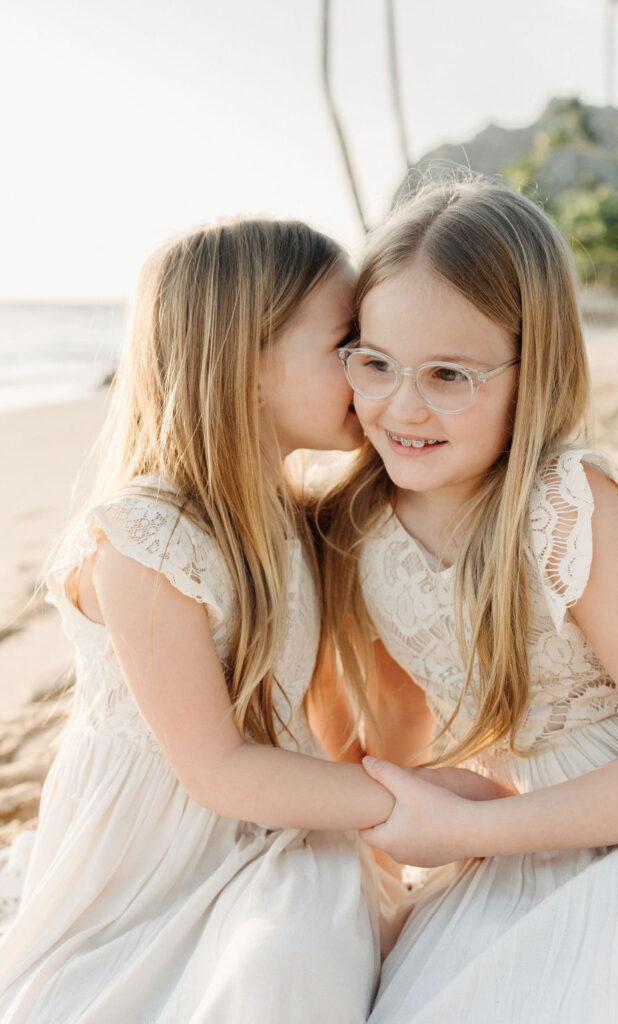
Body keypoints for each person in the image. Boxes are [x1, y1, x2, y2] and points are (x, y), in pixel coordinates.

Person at [0, 217, 399, 1024]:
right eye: (347, 344)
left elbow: (313, 711)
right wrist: (406, 804)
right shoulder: (147, 541)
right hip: (146, 862)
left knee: (298, 954)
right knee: (270, 978)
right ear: (248, 367)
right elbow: (215, 771)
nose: (366, 369)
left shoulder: (295, 517)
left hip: (267, 830)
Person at [316, 179, 618, 1022]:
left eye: (449, 374)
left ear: (534, 367)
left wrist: (471, 834)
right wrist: (423, 794)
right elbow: (395, 731)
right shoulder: (361, 526)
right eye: (374, 363)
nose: (402, 407)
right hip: (511, 847)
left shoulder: (571, 509)